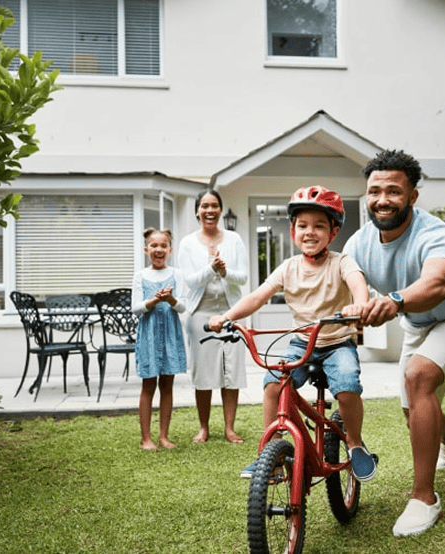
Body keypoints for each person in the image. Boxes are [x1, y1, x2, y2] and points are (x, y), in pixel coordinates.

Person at [343, 149, 445, 536]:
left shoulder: (435, 232)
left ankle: (425, 499)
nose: (382, 200)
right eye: (375, 191)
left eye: (393, 191)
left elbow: (437, 284)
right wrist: (359, 305)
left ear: (412, 196)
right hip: (418, 325)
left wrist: (394, 300)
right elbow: (351, 276)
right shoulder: (361, 240)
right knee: (414, 416)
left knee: (419, 377)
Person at [208, 186, 378, 482]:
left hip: (337, 342)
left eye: (319, 226)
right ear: (292, 232)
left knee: (347, 383)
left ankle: (354, 442)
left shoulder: (342, 262)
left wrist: (360, 305)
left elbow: (356, 282)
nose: (310, 232)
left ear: (333, 232)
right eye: (303, 226)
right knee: (274, 382)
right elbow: (258, 297)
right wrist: (227, 316)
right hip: (302, 342)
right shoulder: (288, 268)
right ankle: (271, 452)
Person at [178, 189, 249, 444]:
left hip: (231, 312)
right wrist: (210, 269)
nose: (210, 210)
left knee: (231, 370)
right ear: (197, 211)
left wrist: (225, 271)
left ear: (220, 210)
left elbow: (243, 277)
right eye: (205, 206)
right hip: (201, 314)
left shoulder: (234, 239)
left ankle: (230, 428)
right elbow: (188, 280)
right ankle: (203, 427)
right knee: (203, 372)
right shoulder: (188, 243)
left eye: (214, 205)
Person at [132, 228, 187, 450]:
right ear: (146, 250)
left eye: (163, 245)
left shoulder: (177, 274)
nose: (159, 249)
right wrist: (152, 301)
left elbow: (183, 307)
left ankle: (163, 436)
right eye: (154, 245)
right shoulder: (140, 276)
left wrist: (171, 299)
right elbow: (135, 309)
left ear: (170, 250)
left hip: (170, 335)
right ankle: (146, 437)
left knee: (167, 385)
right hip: (149, 335)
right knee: (148, 385)